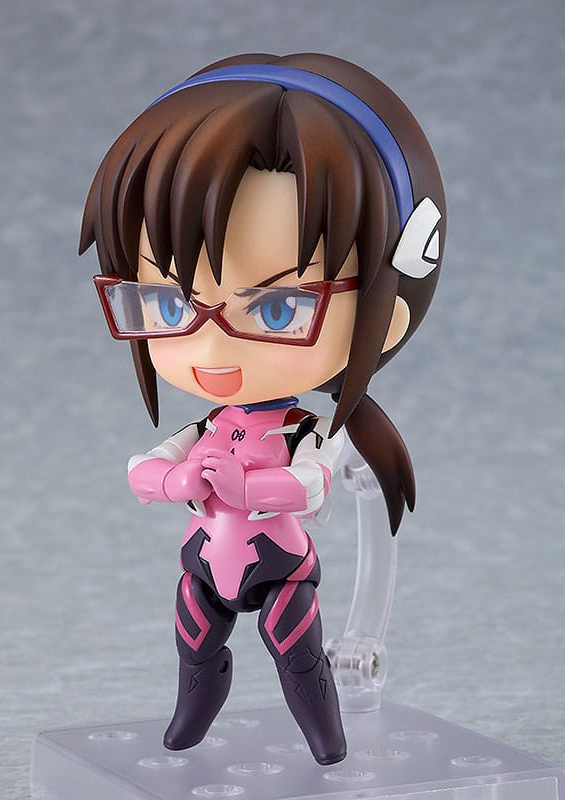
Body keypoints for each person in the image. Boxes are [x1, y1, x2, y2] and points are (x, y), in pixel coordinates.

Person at [80, 52, 446, 765]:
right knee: (193, 649)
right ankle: (188, 725)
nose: (211, 346)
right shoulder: (205, 427)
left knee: (298, 658)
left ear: (387, 316)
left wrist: (244, 488)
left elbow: (310, 485)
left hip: (279, 569)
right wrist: (180, 479)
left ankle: (327, 741)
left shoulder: (306, 429)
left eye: (278, 309)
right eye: (168, 305)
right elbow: (142, 470)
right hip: (204, 566)